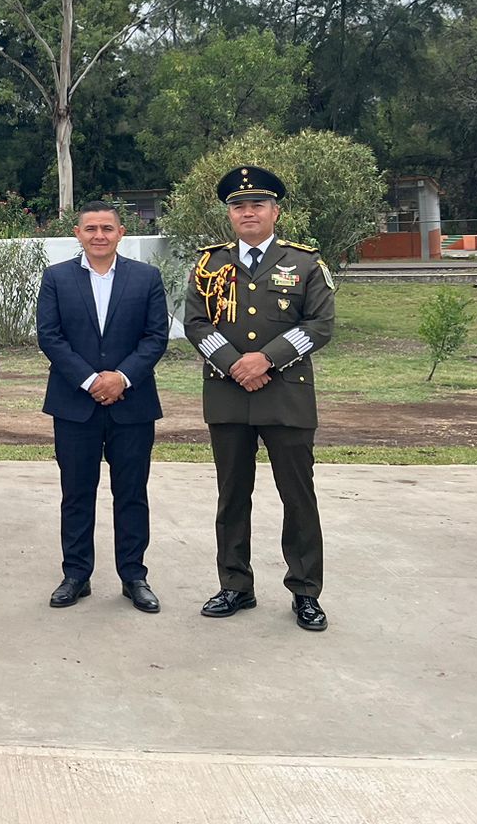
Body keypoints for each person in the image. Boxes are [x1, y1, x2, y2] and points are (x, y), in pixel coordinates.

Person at [183, 166, 336, 633]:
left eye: (257, 205)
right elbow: (195, 323)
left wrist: (265, 360)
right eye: (238, 206)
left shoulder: (306, 263)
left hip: (286, 396)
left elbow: (320, 326)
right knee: (232, 496)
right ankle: (235, 584)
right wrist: (234, 363)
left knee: (298, 496)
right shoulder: (209, 264)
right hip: (229, 395)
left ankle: (305, 591)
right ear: (230, 214)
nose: (247, 212)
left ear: (275, 210)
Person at [35, 200, 169, 614]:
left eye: (106, 228)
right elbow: (50, 336)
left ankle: (134, 576)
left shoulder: (146, 277)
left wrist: (120, 378)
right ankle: (76, 574)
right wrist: (92, 380)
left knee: (131, 493)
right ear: (77, 234)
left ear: (120, 232)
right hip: (75, 405)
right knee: (76, 494)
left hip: (132, 405)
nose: (98, 235)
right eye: (90, 228)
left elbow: (155, 336)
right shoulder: (56, 278)